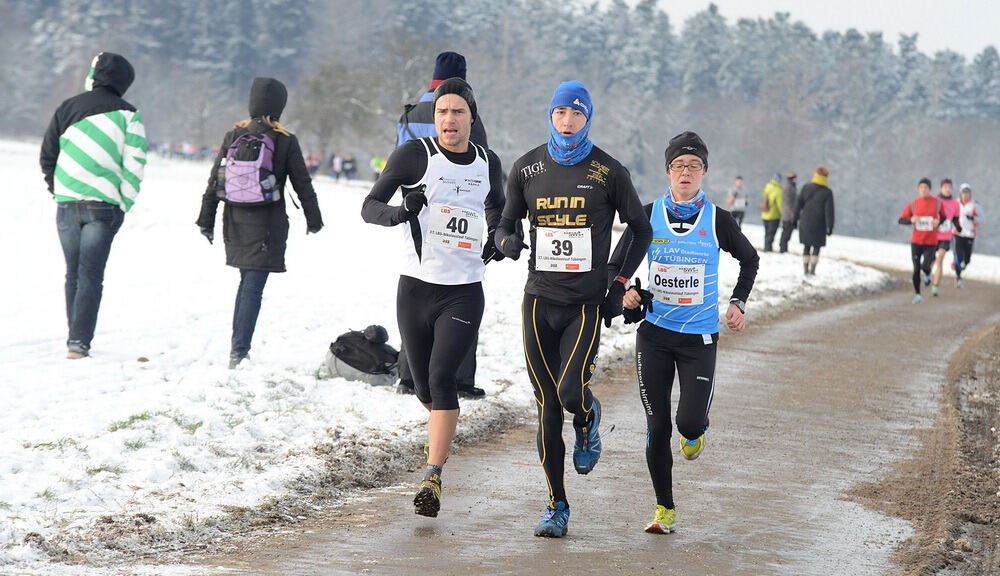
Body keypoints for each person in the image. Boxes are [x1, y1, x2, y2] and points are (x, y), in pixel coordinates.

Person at [494, 81, 653, 538]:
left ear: (589, 119)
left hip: (584, 305)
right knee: (546, 405)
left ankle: (587, 418)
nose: (568, 123)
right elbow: (507, 222)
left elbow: (639, 231)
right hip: (538, 301)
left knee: (568, 394)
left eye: (577, 115)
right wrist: (505, 240)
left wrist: (616, 279)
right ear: (550, 115)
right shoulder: (527, 168)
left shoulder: (608, 171)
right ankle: (556, 506)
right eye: (561, 113)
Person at [361, 77, 505, 518]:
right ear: (434, 118)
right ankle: (441, 427)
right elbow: (369, 206)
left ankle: (432, 476)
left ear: (471, 118)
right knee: (423, 385)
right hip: (416, 288)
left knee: (443, 378)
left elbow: (496, 208)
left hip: (463, 292)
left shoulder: (488, 162)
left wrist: (498, 237)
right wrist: (401, 213)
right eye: (442, 112)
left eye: (458, 112)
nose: (449, 119)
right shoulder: (413, 155)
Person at [610, 131, 758, 535]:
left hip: (699, 341)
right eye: (679, 166)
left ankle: (696, 432)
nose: (686, 173)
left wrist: (737, 302)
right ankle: (664, 509)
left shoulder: (717, 220)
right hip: (654, 336)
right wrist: (627, 293)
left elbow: (750, 259)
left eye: (694, 166)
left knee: (687, 423)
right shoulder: (647, 216)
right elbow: (617, 266)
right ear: (668, 172)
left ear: (705, 173)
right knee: (657, 426)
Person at [196, 77, 324, 368]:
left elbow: (215, 179)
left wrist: (206, 220)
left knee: (246, 283)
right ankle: (239, 352)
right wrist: (314, 219)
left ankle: (238, 349)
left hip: (235, 222)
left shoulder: (233, 135)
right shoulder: (285, 140)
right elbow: (302, 184)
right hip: (268, 224)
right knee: (252, 287)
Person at [39, 52, 147, 359]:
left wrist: (59, 189)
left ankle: (73, 337)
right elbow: (135, 164)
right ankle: (79, 341)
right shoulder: (130, 115)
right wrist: (123, 202)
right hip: (104, 205)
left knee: (72, 272)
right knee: (91, 274)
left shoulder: (67, 107)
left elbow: (48, 155)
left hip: (67, 201)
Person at [395, 51, 489, 399]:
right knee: (461, 288)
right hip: (459, 207)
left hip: (417, 208)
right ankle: (460, 378)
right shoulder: (465, 110)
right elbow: (480, 159)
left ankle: (409, 377)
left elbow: (398, 157)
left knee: (415, 301)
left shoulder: (409, 113)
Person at [898, 178, 948, 303]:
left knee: (925, 265)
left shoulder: (937, 203)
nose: (923, 190)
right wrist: (911, 220)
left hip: (930, 242)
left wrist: (938, 222)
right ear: (918, 189)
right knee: (915, 268)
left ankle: (927, 273)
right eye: (921, 188)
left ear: (930, 189)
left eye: (925, 187)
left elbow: (944, 217)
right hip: (916, 241)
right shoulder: (913, 204)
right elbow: (901, 220)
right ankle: (918, 294)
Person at [795, 166, 835, 276]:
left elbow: (798, 205)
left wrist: (795, 220)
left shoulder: (806, 187)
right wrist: (830, 226)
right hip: (820, 223)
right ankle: (812, 270)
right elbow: (829, 211)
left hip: (805, 221)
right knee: (816, 247)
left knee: (806, 246)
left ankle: (805, 269)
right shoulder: (827, 192)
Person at [930, 178, 962, 296]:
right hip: (933, 235)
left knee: (940, 258)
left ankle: (935, 286)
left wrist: (959, 228)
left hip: (946, 236)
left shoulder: (955, 203)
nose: (947, 189)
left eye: (949, 187)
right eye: (945, 187)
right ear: (941, 188)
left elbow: (955, 218)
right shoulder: (935, 200)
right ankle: (928, 274)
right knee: (931, 261)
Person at [953, 183, 981, 287]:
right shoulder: (955, 203)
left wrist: (973, 219)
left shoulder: (975, 205)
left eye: (967, 193)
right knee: (958, 256)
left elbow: (981, 218)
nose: (965, 195)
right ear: (960, 193)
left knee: (967, 258)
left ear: (970, 194)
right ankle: (958, 277)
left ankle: (963, 265)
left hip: (970, 234)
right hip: (958, 233)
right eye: (963, 193)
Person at [760, 173, 783, 251]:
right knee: (771, 233)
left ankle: (766, 247)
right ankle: (768, 249)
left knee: (766, 233)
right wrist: (782, 213)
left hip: (764, 214)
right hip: (773, 215)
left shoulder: (767, 186)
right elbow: (780, 204)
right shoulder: (778, 190)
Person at [778, 171, 798, 253]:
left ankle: (784, 248)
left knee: (788, 231)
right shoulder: (788, 188)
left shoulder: (792, 187)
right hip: (788, 214)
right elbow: (787, 202)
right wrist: (791, 213)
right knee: (786, 231)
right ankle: (783, 248)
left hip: (790, 213)